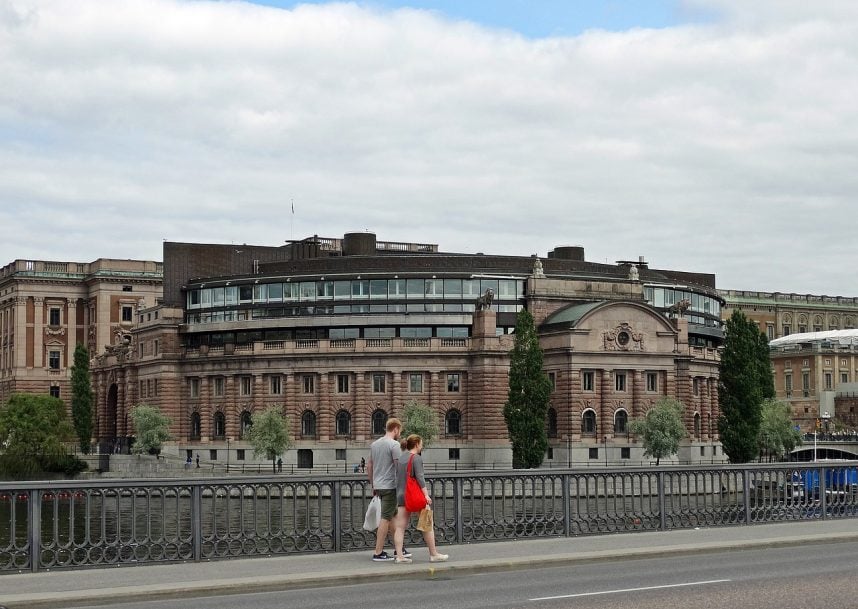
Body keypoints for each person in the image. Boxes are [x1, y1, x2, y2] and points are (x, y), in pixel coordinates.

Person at [393, 434, 448, 564]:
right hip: (414, 496)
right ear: (417, 444)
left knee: (400, 527)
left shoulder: (401, 458)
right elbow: (420, 478)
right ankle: (433, 554)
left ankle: (399, 556)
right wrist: (426, 495)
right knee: (427, 524)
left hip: (401, 495)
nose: (422, 446)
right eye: (421, 443)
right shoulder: (416, 458)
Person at [367, 418, 403, 562]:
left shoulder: (375, 444)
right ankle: (378, 552)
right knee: (386, 518)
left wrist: (373, 485)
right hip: (390, 486)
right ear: (395, 429)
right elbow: (398, 466)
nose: (399, 433)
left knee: (393, 515)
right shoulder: (394, 445)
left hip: (379, 486)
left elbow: (369, 466)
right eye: (399, 431)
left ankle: (399, 548)